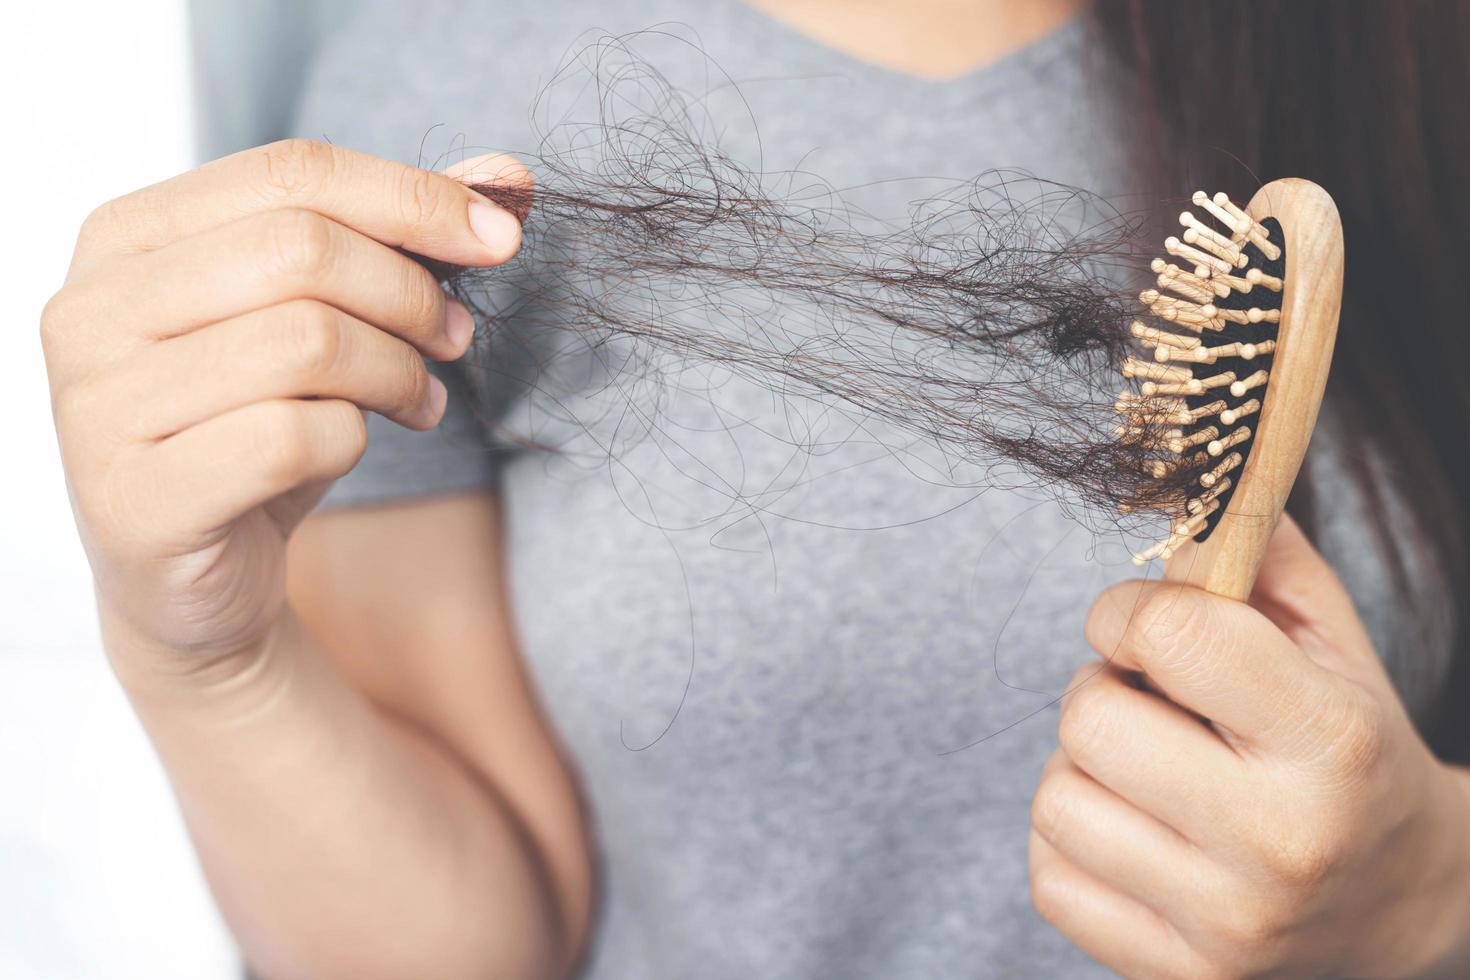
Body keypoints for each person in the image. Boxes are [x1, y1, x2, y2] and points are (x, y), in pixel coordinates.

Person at [39, 1, 1470, 977]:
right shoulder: (440, 85)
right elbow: (476, 946)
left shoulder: (1398, 54)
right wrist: (206, 666)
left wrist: (1430, 894)